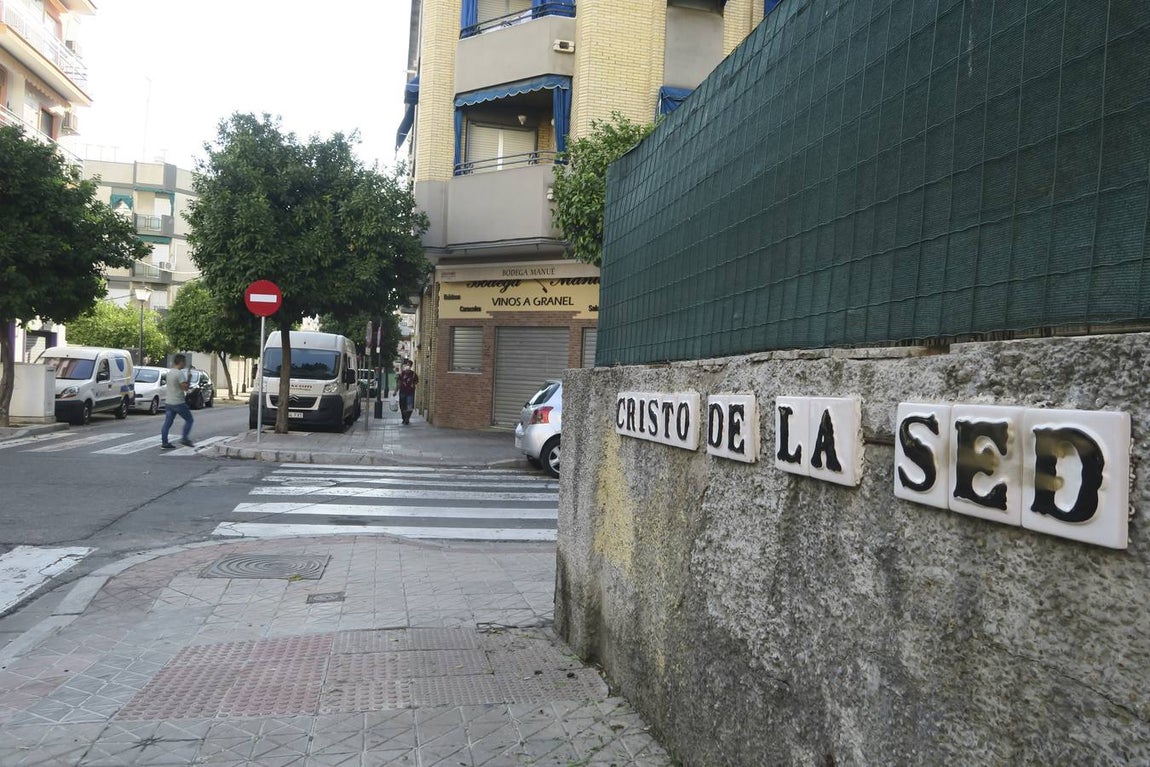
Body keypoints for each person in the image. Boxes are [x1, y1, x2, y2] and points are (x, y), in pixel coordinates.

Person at [161, 354, 194, 449]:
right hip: (178, 402)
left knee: (167, 423)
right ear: (181, 362)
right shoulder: (179, 374)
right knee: (189, 420)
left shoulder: (170, 372)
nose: (185, 364)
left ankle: (164, 442)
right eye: (184, 362)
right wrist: (189, 378)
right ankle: (184, 438)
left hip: (169, 402)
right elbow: (185, 388)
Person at [397, 359, 418, 425]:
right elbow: (399, 382)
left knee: (409, 407)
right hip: (402, 392)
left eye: (409, 365)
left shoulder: (413, 374)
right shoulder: (402, 373)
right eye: (407, 365)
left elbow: (416, 381)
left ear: (411, 366)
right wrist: (395, 391)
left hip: (410, 393)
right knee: (402, 406)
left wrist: (413, 384)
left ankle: (407, 419)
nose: (408, 366)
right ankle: (404, 418)